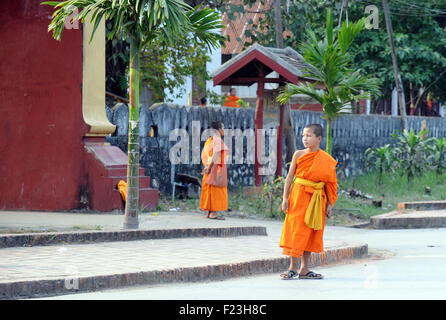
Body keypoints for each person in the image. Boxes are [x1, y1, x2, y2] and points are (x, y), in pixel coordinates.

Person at [279, 124, 338, 280]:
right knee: (295, 229)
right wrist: (285, 198)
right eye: (303, 135)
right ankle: (292, 267)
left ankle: (304, 269)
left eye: (309, 136)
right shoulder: (298, 154)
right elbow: (289, 177)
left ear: (319, 139)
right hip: (298, 196)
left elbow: (331, 184)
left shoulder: (326, 159)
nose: (305, 139)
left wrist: (329, 205)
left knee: (311, 231)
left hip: (317, 198)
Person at [200, 121, 229, 220]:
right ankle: (213, 213)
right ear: (219, 130)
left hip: (209, 166)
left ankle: (210, 212)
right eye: (223, 128)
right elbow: (215, 154)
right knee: (215, 189)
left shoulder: (210, 140)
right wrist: (209, 167)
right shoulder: (217, 140)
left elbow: (205, 154)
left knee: (210, 189)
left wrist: (207, 166)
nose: (224, 130)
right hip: (215, 169)